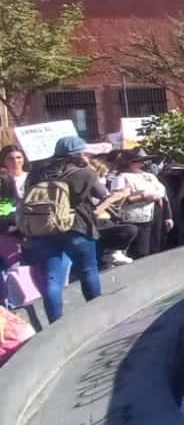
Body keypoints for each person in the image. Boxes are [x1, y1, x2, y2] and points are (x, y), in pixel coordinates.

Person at [18, 136, 125, 323]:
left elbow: (26, 199)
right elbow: (102, 196)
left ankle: (55, 324)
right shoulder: (85, 173)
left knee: (52, 278)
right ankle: (98, 317)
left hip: (44, 229)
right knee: (88, 271)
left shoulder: (36, 173)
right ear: (77, 153)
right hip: (78, 228)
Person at [106, 149, 172, 258]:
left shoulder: (150, 176)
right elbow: (117, 201)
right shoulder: (121, 177)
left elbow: (162, 195)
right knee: (136, 252)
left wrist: (167, 216)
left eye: (143, 160)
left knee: (151, 250)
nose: (141, 163)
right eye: (137, 161)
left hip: (150, 217)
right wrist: (142, 196)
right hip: (130, 219)